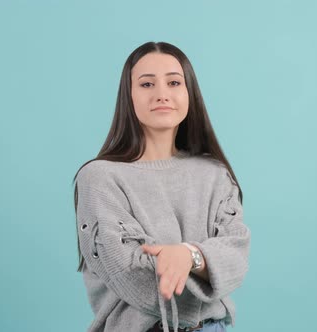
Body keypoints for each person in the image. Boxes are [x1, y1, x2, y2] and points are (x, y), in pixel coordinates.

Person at [72, 41, 251, 332]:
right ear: (127, 97)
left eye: (173, 82)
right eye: (146, 84)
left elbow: (237, 256)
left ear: (189, 93)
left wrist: (187, 255)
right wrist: (207, 263)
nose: (162, 94)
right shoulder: (99, 178)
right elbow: (134, 280)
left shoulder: (215, 173)